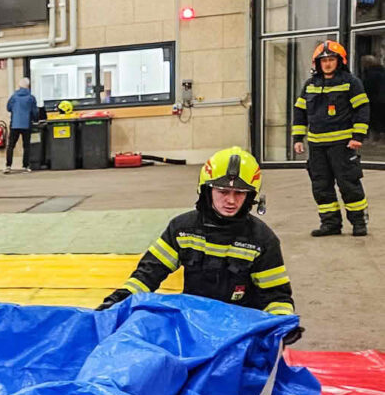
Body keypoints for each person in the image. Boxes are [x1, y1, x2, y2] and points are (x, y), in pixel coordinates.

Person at [97, 147, 297, 335]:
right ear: (206, 190)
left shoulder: (262, 239)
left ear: (252, 196)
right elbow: (148, 273)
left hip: (240, 331)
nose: (231, 201)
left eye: (239, 193)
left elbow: (276, 296)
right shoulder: (182, 229)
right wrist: (118, 300)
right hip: (192, 325)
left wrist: (282, 326)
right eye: (222, 191)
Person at [292, 40, 370, 237]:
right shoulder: (310, 85)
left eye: (331, 59)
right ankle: (330, 224)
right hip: (317, 146)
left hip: (342, 145)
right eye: (323, 60)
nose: (327, 64)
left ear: (339, 61)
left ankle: (359, 222)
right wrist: (298, 138)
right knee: (321, 186)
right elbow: (300, 112)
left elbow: (362, 109)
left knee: (349, 184)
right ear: (317, 63)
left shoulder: (350, 82)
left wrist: (358, 136)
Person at [5, 77, 38, 171]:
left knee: (11, 145)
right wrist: (35, 119)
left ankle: (8, 166)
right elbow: (34, 111)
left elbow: (8, 108)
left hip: (14, 124)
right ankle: (25, 166)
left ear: (19, 86)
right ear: (28, 86)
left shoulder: (14, 97)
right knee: (26, 146)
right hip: (26, 124)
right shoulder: (31, 98)